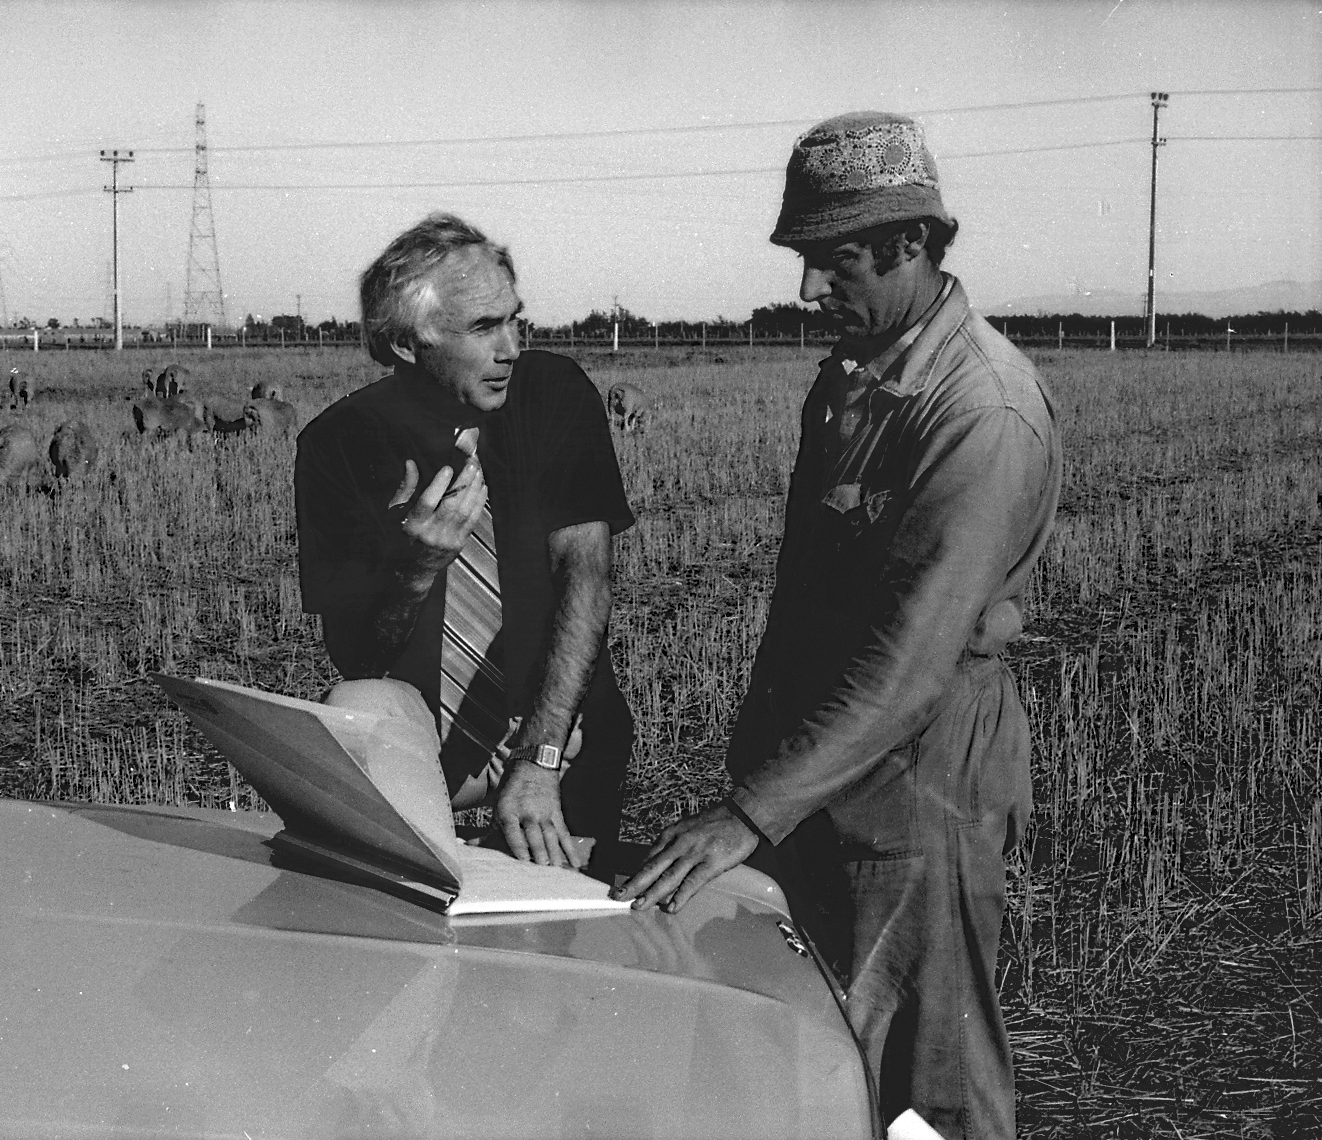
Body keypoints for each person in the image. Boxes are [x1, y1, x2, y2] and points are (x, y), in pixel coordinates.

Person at [615, 112, 1062, 1140]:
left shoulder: (978, 412)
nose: (812, 290)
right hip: (823, 764)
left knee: (926, 1084)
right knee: (814, 1062)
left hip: (922, 783)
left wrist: (750, 811)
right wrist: (764, 772)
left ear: (911, 244)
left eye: (836, 260)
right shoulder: (857, 377)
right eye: (807, 262)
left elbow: (910, 664)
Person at [295, 213, 635, 867]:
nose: (511, 347)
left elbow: (585, 573)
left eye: (515, 319)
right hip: (426, 735)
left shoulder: (552, 394)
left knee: (560, 922)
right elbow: (359, 657)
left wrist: (539, 758)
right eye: (484, 328)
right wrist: (416, 565)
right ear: (405, 344)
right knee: (358, 717)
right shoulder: (338, 444)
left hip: (561, 725)